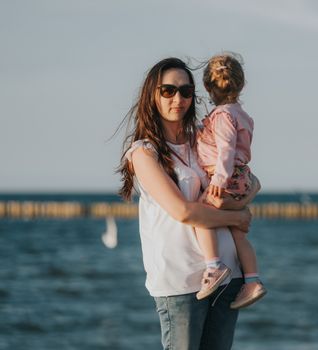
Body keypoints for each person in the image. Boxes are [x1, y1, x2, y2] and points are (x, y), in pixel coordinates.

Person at [118, 57, 259, 350]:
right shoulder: (144, 153)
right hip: (180, 282)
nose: (178, 98)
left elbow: (250, 181)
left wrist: (243, 201)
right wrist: (236, 218)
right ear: (152, 96)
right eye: (168, 90)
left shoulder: (204, 137)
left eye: (185, 91)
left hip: (228, 276)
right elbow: (182, 212)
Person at [193, 53, 266, 309]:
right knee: (238, 234)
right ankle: (252, 281)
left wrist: (219, 180)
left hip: (225, 177)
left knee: (201, 215)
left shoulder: (222, 115)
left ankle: (214, 267)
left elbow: (226, 149)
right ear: (242, 85)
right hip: (241, 175)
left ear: (207, 87)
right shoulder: (243, 115)